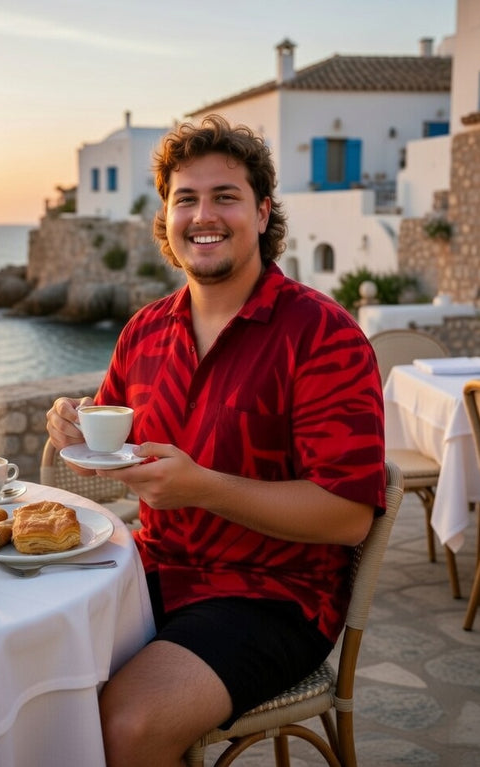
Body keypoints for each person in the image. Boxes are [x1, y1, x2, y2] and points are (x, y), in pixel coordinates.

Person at [46, 114, 385, 767]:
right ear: (166, 220)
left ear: (261, 213)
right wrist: (72, 425)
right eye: (186, 199)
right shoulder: (143, 331)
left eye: (224, 196)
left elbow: (346, 517)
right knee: (25, 679)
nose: (204, 214)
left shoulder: (322, 335)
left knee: (127, 724)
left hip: (271, 594)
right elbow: (109, 447)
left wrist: (201, 486)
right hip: (146, 572)